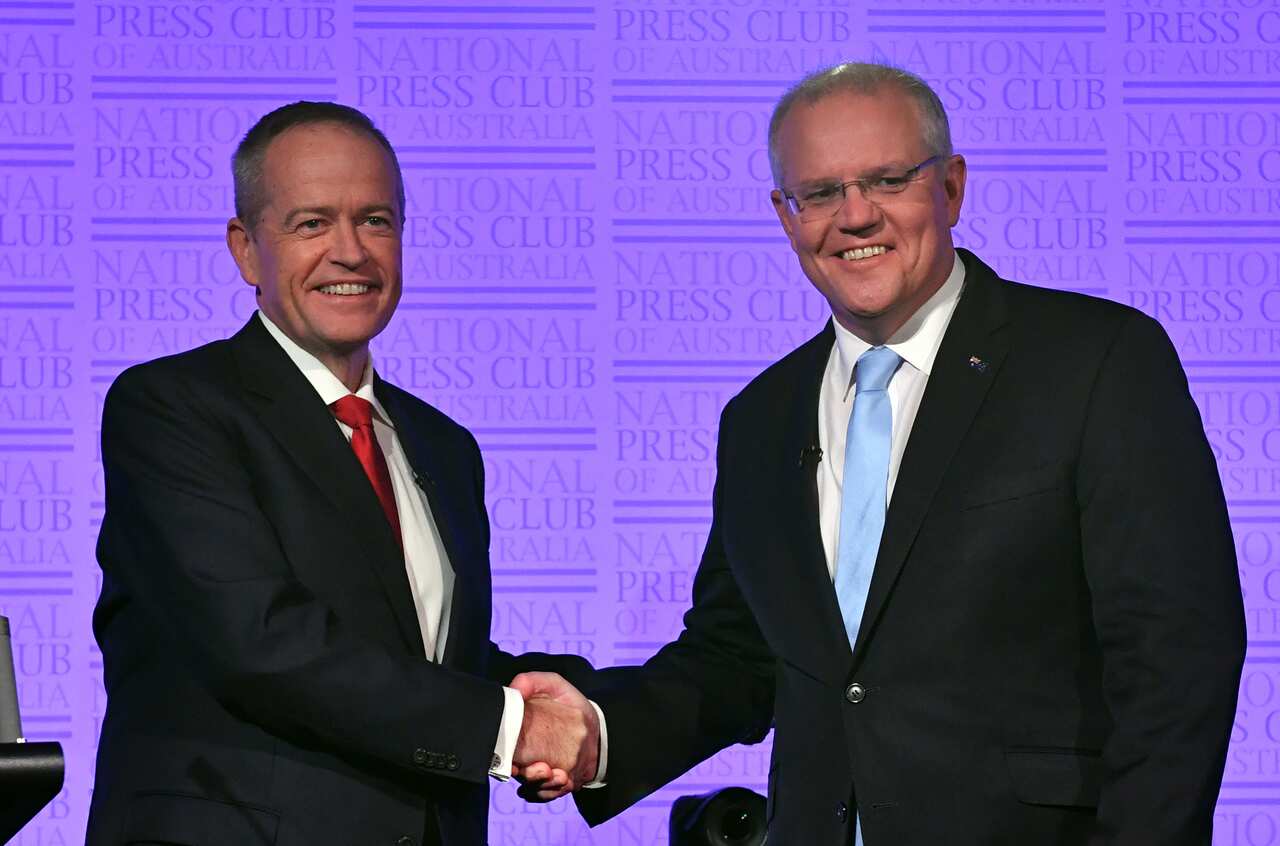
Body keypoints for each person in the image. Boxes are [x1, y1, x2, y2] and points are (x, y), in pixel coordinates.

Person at [513, 62, 1246, 845]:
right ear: (785, 215)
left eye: (888, 179)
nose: (855, 216)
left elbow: (1177, 658)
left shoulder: (1095, 361)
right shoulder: (758, 419)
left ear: (952, 187)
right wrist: (599, 731)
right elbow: (738, 658)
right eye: (820, 193)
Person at [86, 102, 600, 846]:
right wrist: (511, 727)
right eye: (311, 223)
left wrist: (564, 704)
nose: (351, 252)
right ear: (245, 249)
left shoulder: (442, 445)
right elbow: (261, 643)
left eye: (376, 220)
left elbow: (411, 657)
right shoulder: (172, 408)